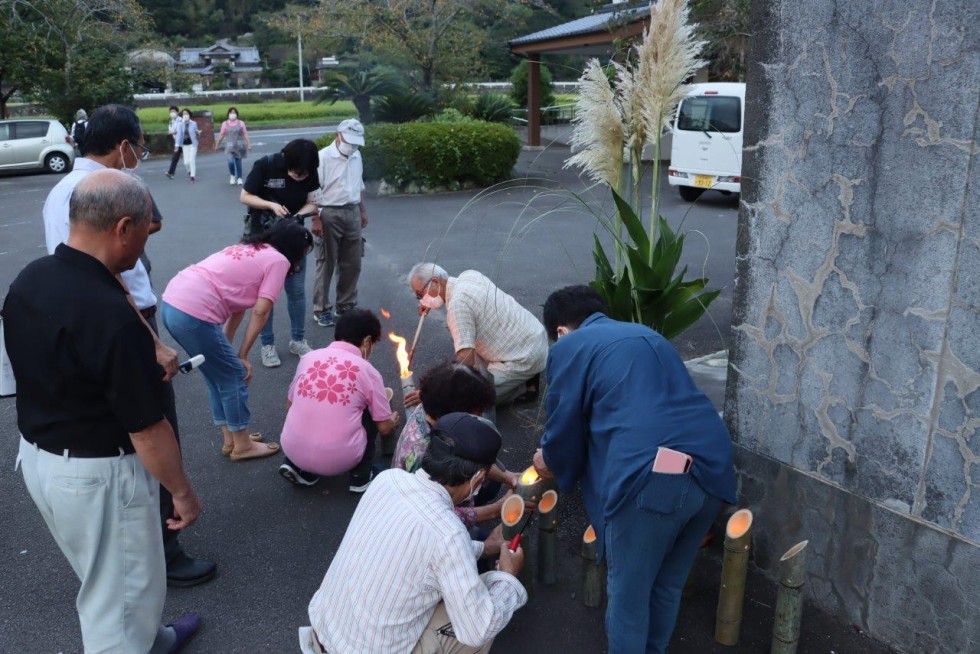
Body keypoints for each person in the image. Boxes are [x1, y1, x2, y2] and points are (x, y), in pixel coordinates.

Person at [4, 169, 202, 653]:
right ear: (123, 227)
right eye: (145, 231)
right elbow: (148, 429)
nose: (144, 245)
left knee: (112, 577)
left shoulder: (31, 278)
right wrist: (182, 493)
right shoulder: (107, 314)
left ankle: (151, 638)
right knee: (116, 600)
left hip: (39, 458)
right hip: (97, 477)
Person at [41, 103, 216, 588]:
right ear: (123, 146)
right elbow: (105, 271)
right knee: (152, 424)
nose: (140, 154)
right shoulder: (95, 190)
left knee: (127, 430)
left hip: (99, 316)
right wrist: (151, 338)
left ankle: (144, 540)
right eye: (138, 146)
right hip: (125, 317)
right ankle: (167, 546)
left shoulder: (65, 188)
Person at [531, 285, 737, 654]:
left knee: (628, 597)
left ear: (560, 331)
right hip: (712, 467)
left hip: (652, 477)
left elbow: (563, 427)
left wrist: (549, 458)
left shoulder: (569, 347)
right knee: (667, 585)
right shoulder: (646, 334)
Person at [303, 412, 527, 654]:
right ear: (478, 478)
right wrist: (508, 575)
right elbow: (477, 629)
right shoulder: (447, 532)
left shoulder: (388, 480)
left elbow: (421, 549)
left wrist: (486, 547)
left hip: (323, 635)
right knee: (487, 596)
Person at [161, 220, 313, 462]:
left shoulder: (251, 249)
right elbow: (261, 311)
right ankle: (243, 445)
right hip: (194, 312)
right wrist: (241, 356)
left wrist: (228, 349)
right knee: (234, 375)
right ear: (294, 249)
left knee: (217, 375)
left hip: (173, 303)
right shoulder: (278, 261)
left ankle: (231, 438)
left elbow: (237, 307)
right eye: (303, 255)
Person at [278, 309, 400, 492]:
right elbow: (383, 428)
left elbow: (289, 406)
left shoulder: (308, 358)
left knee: (312, 403)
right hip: (339, 459)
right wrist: (392, 421)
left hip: (290, 447)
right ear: (367, 341)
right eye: (374, 344)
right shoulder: (367, 371)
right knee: (369, 412)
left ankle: (298, 466)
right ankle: (361, 477)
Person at [392, 361, 522, 527]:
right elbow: (437, 513)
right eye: (475, 413)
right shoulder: (426, 455)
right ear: (453, 415)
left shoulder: (429, 409)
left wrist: (507, 476)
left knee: (490, 475)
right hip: (420, 518)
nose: (479, 417)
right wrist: (496, 509)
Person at [407, 263, 549, 408]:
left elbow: (465, 361)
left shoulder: (457, 306)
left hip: (524, 356)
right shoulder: (469, 275)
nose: (421, 300)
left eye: (420, 294)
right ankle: (523, 376)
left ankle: (522, 386)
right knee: (469, 341)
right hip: (535, 336)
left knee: (466, 398)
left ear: (436, 282)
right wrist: (429, 300)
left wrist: (433, 392)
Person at [240, 138, 320, 368]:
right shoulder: (266, 164)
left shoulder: (310, 170)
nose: (300, 177)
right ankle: (267, 345)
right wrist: (270, 205)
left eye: (304, 174)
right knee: (266, 295)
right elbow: (245, 196)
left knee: (296, 292)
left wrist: (298, 215)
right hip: (263, 240)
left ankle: (298, 340)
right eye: (296, 173)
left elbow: (314, 203)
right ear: (286, 160)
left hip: (294, 241)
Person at [311, 118, 368, 328]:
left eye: (356, 142)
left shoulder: (356, 155)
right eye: (349, 140)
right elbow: (313, 190)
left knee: (353, 262)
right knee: (326, 262)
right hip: (329, 212)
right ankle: (322, 309)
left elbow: (358, 185)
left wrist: (362, 210)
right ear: (338, 134)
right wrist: (315, 218)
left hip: (352, 211)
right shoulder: (323, 157)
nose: (352, 145)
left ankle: (346, 305)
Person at [215, 106, 251, 185]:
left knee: (238, 163)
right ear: (228, 114)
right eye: (231, 112)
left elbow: (245, 133)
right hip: (229, 146)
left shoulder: (241, 123)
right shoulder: (225, 124)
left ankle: (239, 178)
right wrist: (217, 144)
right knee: (230, 162)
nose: (232, 114)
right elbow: (221, 135)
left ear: (237, 114)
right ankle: (232, 175)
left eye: (234, 112)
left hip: (239, 146)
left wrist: (249, 144)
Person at [176, 108, 199, 183]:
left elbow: (196, 132)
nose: (185, 115)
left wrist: (198, 133)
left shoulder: (194, 123)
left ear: (189, 115)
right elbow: (179, 135)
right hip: (185, 145)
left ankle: (192, 176)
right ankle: (189, 171)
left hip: (193, 144)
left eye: (186, 114)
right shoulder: (180, 124)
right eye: (184, 114)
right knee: (186, 162)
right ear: (182, 115)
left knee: (191, 160)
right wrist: (177, 145)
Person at [165, 105, 183, 179]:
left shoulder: (181, 120)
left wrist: (174, 132)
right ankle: (171, 173)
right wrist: (174, 132)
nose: (172, 113)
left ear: (177, 112)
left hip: (183, 141)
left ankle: (191, 173)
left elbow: (179, 131)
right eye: (171, 112)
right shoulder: (171, 122)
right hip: (176, 141)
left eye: (173, 111)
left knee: (188, 160)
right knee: (175, 158)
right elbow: (170, 131)